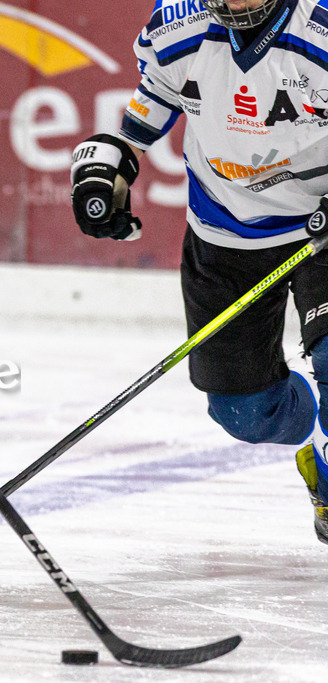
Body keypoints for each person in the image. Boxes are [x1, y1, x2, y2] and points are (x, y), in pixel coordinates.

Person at [70, 0, 328, 545]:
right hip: (225, 233)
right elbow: (144, 118)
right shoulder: (178, 26)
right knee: (246, 415)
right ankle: (316, 430)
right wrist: (106, 168)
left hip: (319, 223)